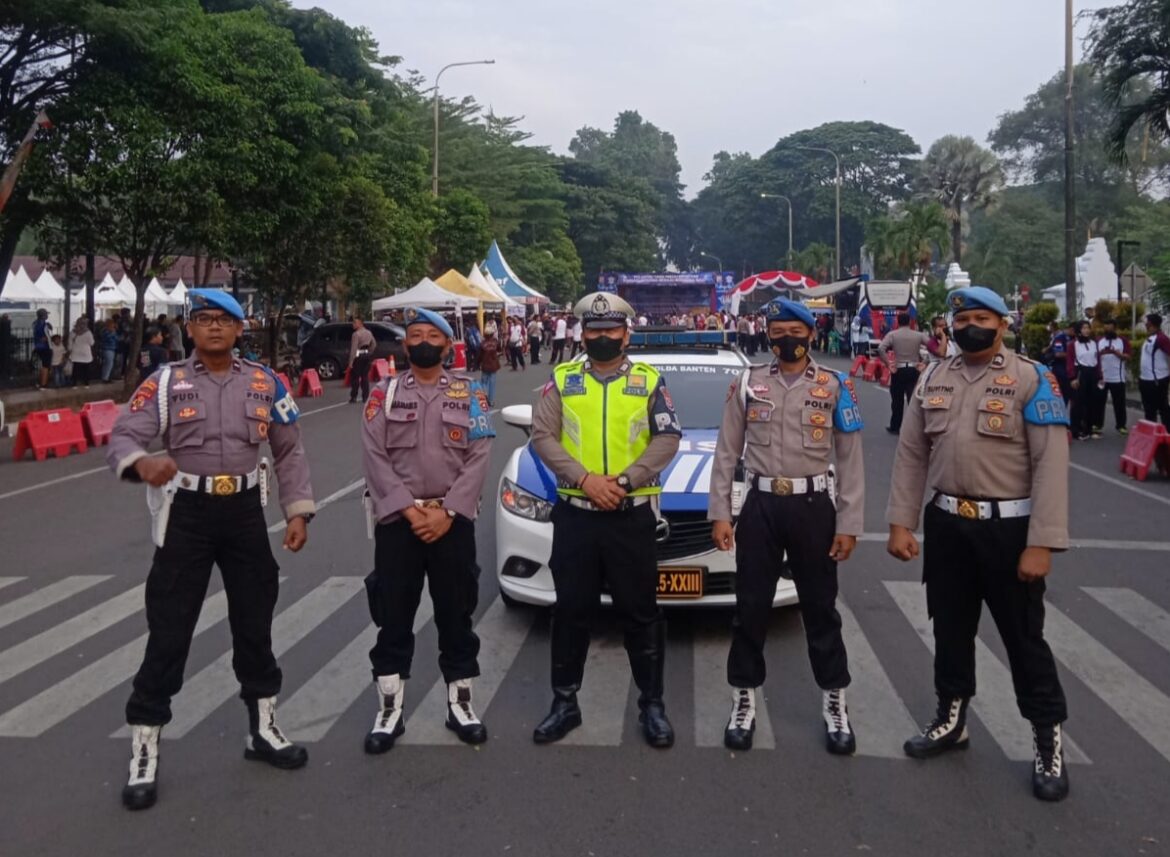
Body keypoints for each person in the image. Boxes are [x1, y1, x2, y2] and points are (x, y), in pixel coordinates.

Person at [107, 288, 316, 811]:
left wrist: (297, 511)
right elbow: (125, 434)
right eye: (203, 319)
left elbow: (288, 449)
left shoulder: (266, 382)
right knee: (170, 629)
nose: (215, 328)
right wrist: (140, 463)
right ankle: (145, 749)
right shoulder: (165, 383)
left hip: (245, 512)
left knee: (255, 622)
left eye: (225, 320)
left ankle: (263, 729)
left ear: (241, 328)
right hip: (189, 517)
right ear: (190, 329)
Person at [886, 286, 1070, 803]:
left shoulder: (1032, 379)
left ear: (1003, 324)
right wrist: (902, 522)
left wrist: (1043, 544)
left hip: (1008, 531)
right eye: (962, 317)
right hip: (947, 525)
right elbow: (911, 456)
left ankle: (1047, 742)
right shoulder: (933, 377)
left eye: (981, 317)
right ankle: (951, 720)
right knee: (950, 628)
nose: (971, 325)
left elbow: (1051, 465)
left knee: (1023, 639)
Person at [708, 298, 865, 754]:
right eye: (776, 330)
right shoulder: (747, 383)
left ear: (812, 334)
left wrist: (849, 523)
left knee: (821, 610)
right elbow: (725, 452)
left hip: (814, 506)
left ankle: (835, 701)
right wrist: (721, 512)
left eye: (794, 330)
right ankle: (744, 699)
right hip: (759, 507)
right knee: (750, 607)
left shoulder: (836, 386)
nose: (784, 338)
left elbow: (851, 461)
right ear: (768, 334)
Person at [530, 292, 682, 747]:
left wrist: (625, 480)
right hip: (576, 516)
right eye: (592, 331)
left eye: (609, 330)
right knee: (571, 611)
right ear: (581, 333)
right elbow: (543, 435)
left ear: (626, 333)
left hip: (629, 515)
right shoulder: (561, 379)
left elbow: (667, 438)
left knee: (640, 613)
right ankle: (564, 703)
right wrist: (585, 479)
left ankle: (652, 706)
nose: (600, 337)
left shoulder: (649, 380)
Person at [361, 307, 495, 753]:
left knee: (456, 614)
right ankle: (389, 710)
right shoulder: (384, 393)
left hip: (451, 522)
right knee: (393, 614)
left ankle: (461, 705)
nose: (421, 341)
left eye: (430, 336)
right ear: (404, 345)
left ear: (445, 344)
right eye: (413, 334)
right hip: (399, 523)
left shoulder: (470, 394)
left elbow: (479, 455)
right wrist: (407, 509)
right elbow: (374, 455)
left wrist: (449, 510)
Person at [878, 312, 931, 434]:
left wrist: (888, 363)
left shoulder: (892, 334)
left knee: (897, 400)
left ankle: (895, 427)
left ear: (898, 321)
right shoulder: (918, 335)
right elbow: (933, 347)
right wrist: (925, 362)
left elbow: (881, 348)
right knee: (913, 400)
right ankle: (917, 428)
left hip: (898, 369)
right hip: (914, 369)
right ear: (909, 322)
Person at [1067, 320, 1102, 440]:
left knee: (1092, 402)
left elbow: (1097, 361)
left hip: (1092, 373)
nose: (1086, 330)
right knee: (1078, 403)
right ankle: (1076, 430)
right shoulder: (1073, 344)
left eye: (1088, 328)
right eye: (1083, 328)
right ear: (1078, 330)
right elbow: (1070, 362)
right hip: (1080, 373)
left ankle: (1089, 429)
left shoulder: (1094, 343)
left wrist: (1100, 376)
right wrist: (1072, 378)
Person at [1096, 319, 1131, 435]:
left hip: (1118, 378)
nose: (1108, 330)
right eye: (1106, 328)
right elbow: (1094, 357)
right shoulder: (1099, 341)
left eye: (1110, 328)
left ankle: (1121, 426)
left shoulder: (1123, 341)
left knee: (1119, 403)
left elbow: (1128, 356)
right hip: (1102, 378)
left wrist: (1117, 353)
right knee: (1099, 403)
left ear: (1115, 328)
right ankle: (1098, 425)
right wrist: (1101, 353)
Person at [1139, 313, 1170, 428]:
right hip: (1145, 380)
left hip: (1157, 380)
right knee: (1149, 410)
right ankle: (1153, 435)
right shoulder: (1150, 338)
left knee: (1163, 408)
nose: (1145, 324)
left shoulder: (1161, 338)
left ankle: (1167, 433)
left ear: (1151, 324)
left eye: (1146, 322)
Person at [1042, 321, 1074, 405]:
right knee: (1063, 394)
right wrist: (1073, 355)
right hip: (1061, 369)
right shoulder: (1060, 338)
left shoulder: (1073, 338)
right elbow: (1058, 354)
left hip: (1070, 370)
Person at [347, 315, 376, 404]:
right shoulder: (368, 333)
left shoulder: (356, 334)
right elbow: (374, 344)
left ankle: (354, 397)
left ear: (360, 323)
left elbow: (354, 348)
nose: (353, 324)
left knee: (355, 377)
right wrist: (369, 351)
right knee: (365, 377)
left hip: (358, 356)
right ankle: (365, 396)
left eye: (355, 323)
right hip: (366, 355)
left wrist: (351, 361)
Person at [479, 323, 501, 406]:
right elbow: (499, 349)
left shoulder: (482, 344)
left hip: (485, 364)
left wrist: (477, 364)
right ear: (492, 334)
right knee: (492, 384)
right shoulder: (495, 342)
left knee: (483, 382)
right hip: (493, 365)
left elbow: (479, 355)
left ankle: (484, 394)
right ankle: (491, 401)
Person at [69, 316, 95, 387]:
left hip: (75, 352)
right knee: (86, 369)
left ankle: (74, 384)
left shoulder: (73, 332)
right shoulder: (88, 332)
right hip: (85, 352)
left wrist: (70, 350)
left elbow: (70, 343)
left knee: (76, 369)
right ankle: (86, 383)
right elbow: (91, 343)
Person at [32, 308, 52, 389]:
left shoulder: (35, 323)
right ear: (43, 316)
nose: (47, 316)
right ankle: (44, 384)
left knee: (42, 366)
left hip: (38, 347)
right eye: (46, 314)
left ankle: (40, 383)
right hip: (45, 347)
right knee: (46, 366)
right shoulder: (43, 324)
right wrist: (46, 338)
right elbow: (45, 336)